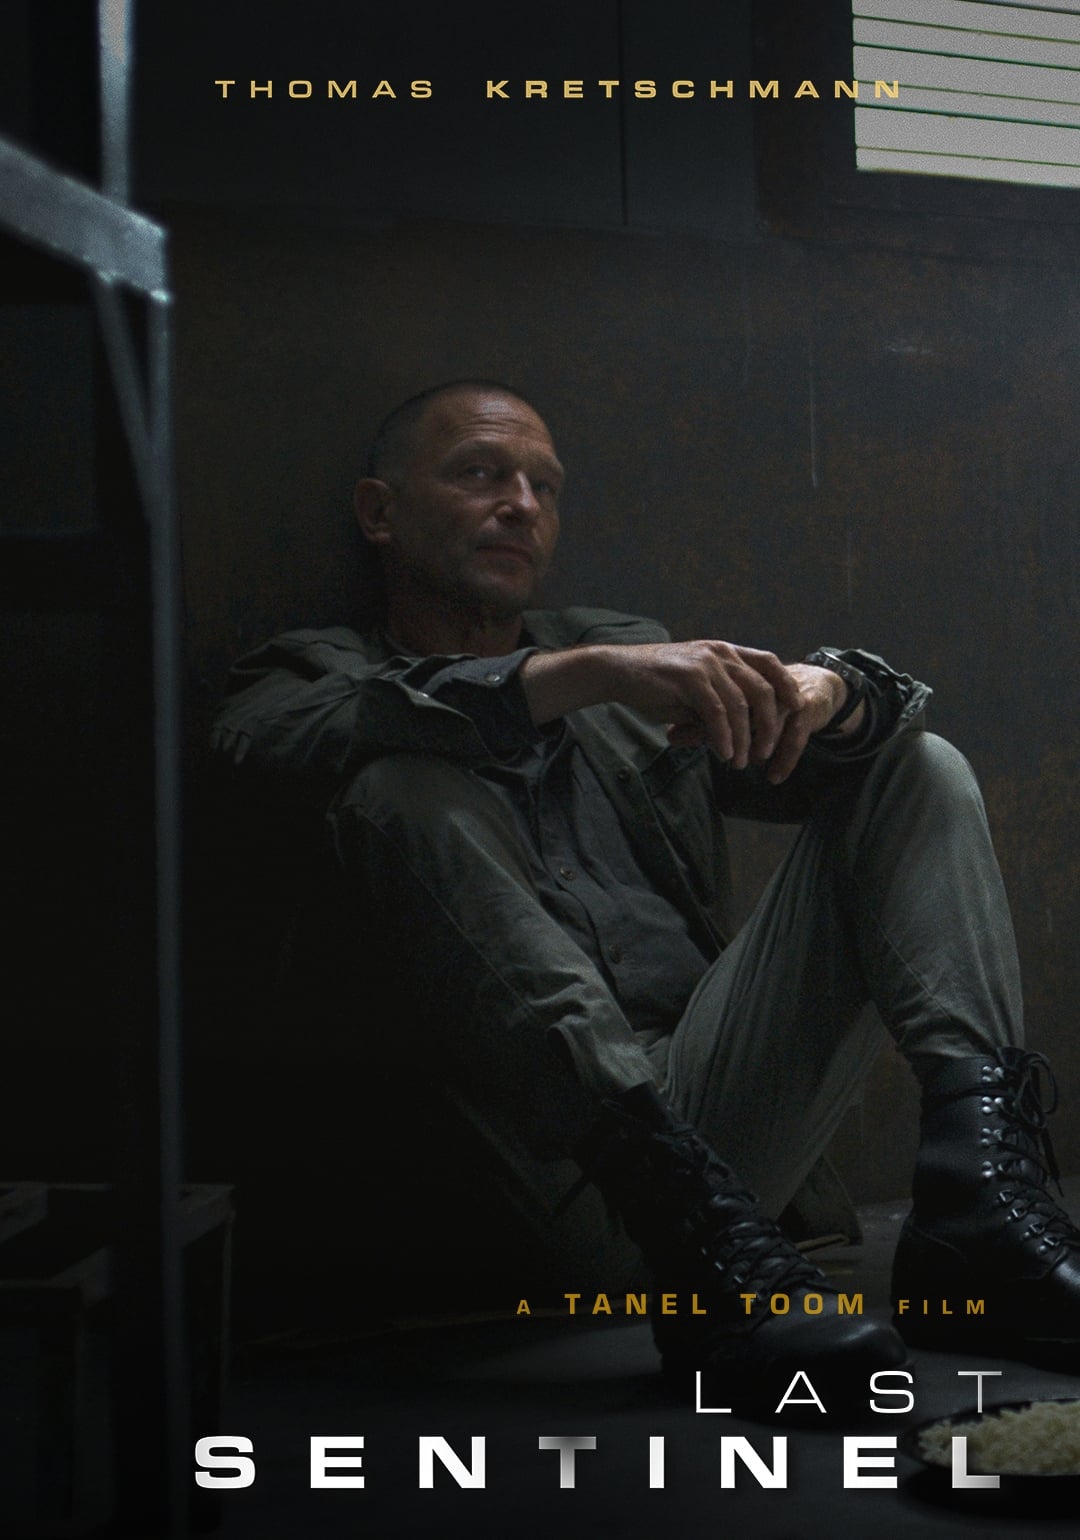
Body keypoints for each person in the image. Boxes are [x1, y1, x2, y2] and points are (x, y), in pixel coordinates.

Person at [212, 379, 1080, 1403]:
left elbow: (843, 757)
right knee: (399, 783)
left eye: (543, 486)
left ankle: (982, 1215)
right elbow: (278, 742)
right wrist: (591, 672)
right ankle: (690, 1229)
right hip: (528, 1179)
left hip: (724, 1193)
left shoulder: (619, 670)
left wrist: (829, 692)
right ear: (380, 512)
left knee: (915, 766)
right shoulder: (297, 676)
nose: (521, 504)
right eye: (481, 473)